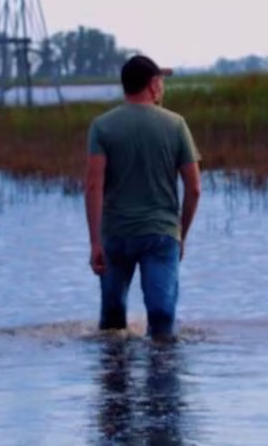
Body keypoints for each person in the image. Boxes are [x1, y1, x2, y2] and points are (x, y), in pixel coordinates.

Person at [85, 54, 202, 341]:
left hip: (116, 234)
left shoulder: (102, 126)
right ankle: (162, 366)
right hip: (161, 235)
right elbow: (194, 188)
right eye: (161, 81)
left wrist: (95, 242)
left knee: (112, 323)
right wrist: (181, 234)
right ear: (152, 85)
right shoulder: (176, 124)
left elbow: (93, 187)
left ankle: (113, 368)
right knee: (162, 320)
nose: (163, 87)